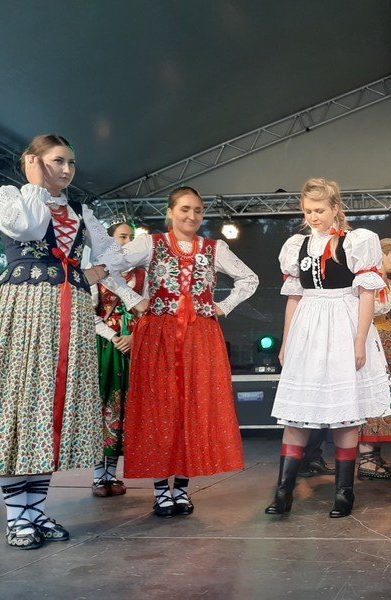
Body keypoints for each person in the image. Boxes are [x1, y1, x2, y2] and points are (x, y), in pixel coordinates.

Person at [0, 134, 147, 549]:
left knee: (52, 407)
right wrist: (35, 182)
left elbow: (115, 255)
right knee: (21, 404)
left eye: (71, 162)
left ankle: (35, 510)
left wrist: (97, 274)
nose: (67, 170)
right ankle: (17, 516)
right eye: (57, 161)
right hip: (24, 308)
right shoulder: (10, 195)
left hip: (69, 310)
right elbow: (29, 227)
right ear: (33, 161)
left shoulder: (80, 211)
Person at [120, 186, 258, 518]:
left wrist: (221, 307)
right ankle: (160, 491)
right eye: (185, 209)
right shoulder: (150, 243)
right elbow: (106, 266)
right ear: (170, 212)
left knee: (193, 407)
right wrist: (134, 300)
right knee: (159, 407)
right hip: (159, 335)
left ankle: (181, 488)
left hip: (200, 335)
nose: (191, 216)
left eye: (197, 210)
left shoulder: (213, 248)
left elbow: (249, 279)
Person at [266, 177, 391, 518]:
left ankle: (344, 493)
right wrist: (287, 341)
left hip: (342, 324)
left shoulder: (355, 241)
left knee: (344, 416)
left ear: (336, 208)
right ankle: (283, 492)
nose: (314, 216)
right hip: (308, 327)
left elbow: (366, 294)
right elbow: (294, 298)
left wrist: (360, 339)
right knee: (297, 414)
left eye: (320, 210)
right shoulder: (297, 246)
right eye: (308, 210)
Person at [90, 221, 148, 497]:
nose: (127, 241)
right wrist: (114, 336)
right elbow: (87, 313)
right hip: (105, 348)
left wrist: (134, 337)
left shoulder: (143, 274)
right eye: (122, 237)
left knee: (127, 408)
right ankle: (98, 477)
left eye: (131, 237)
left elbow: (149, 311)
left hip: (136, 348)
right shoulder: (96, 273)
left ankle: (113, 474)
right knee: (103, 406)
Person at [357, 238, 391, 480]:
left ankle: (375, 456)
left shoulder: (388, 283)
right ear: (381, 255)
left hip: (387, 343)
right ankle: (366, 458)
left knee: (387, 395)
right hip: (372, 342)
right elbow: (371, 309)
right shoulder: (369, 280)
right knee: (373, 392)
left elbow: (389, 316)